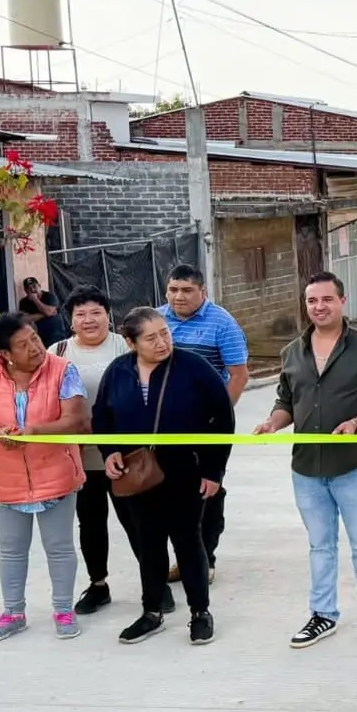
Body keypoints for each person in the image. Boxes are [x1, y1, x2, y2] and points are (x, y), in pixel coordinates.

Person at [256, 273, 357, 649]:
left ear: (341, 301)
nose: (318, 307)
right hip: (306, 467)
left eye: (326, 300)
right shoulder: (292, 352)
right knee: (320, 546)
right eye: (311, 301)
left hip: (352, 463)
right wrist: (273, 422)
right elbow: (286, 402)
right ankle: (323, 615)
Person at [93, 307, 233, 645]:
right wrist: (109, 452)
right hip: (138, 475)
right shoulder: (118, 371)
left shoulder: (193, 368)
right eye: (151, 337)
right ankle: (151, 612)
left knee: (188, 541)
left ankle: (200, 612)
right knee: (149, 543)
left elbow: (224, 421)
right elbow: (102, 418)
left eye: (165, 333)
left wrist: (214, 471)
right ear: (131, 342)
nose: (162, 342)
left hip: (187, 472)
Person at [0, 313, 89, 641]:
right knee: (11, 550)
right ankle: (13, 612)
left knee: (59, 547)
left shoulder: (63, 370)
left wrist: (35, 431)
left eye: (34, 338)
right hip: (7, 478)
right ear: (5, 355)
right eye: (23, 344)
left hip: (56, 474)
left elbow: (74, 419)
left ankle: (63, 610)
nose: (35, 347)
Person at [49, 286, 138, 614]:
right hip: (81, 458)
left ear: (108, 316)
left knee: (138, 522)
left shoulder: (125, 347)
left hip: (126, 455)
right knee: (91, 523)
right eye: (81, 314)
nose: (88, 320)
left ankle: (153, 580)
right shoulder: (56, 352)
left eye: (95, 312)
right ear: (71, 321)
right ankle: (98, 585)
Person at [159, 263, 248, 587]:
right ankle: (182, 558)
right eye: (172, 290)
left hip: (207, 426)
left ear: (202, 292)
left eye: (186, 291)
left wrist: (218, 417)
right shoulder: (157, 321)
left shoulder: (221, 324)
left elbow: (238, 375)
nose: (178, 297)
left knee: (207, 491)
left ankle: (204, 558)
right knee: (168, 492)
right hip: (163, 427)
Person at [18, 277, 67, 348]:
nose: (32, 290)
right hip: (38, 339)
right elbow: (25, 319)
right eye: (29, 288)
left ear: (39, 286)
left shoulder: (49, 296)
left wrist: (35, 300)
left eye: (34, 286)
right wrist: (45, 314)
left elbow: (49, 312)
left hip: (56, 336)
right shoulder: (23, 302)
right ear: (25, 291)